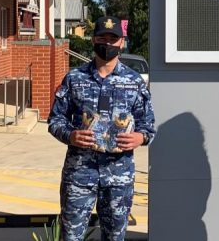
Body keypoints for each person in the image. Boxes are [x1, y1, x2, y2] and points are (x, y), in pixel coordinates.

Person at [48, 16, 156, 241]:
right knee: (70, 236)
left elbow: (148, 125)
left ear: (121, 42)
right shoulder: (75, 79)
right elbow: (55, 119)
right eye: (102, 38)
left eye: (113, 38)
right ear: (93, 40)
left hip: (118, 176)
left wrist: (140, 138)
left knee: (115, 237)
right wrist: (70, 135)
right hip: (79, 174)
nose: (107, 43)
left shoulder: (134, 81)